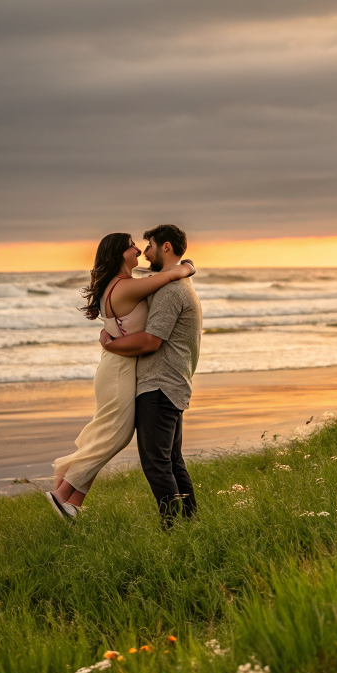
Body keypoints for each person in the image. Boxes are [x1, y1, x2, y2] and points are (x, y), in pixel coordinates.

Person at [45, 231, 195, 520]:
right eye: (131, 246)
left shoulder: (122, 285)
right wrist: (187, 266)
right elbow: (167, 277)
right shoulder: (126, 287)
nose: (138, 250)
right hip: (118, 370)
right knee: (116, 435)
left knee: (109, 433)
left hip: (117, 366)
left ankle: (73, 500)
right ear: (118, 254)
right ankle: (62, 492)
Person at [100, 223, 202, 527]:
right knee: (171, 460)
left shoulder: (171, 291)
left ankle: (173, 530)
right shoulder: (173, 283)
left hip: (160, 385)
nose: (145, 252)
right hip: (171, 383)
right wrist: (188, 266)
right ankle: (191, 523)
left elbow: (150, 341)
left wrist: (112, 344)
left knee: (156, 464)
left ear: (166, 247)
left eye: (150, 246)